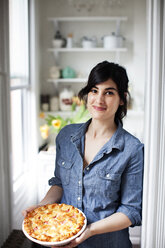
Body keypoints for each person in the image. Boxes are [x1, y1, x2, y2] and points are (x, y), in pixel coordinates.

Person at [22, 61, 144, 248]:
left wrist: (90, 230)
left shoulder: (132, 149)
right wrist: (42, 207)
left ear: (122, 98)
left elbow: (131, 211)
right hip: (62, 233)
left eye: (109, 92)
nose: (99, 100)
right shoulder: (66, 135)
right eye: (94, 91)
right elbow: (60, 183)